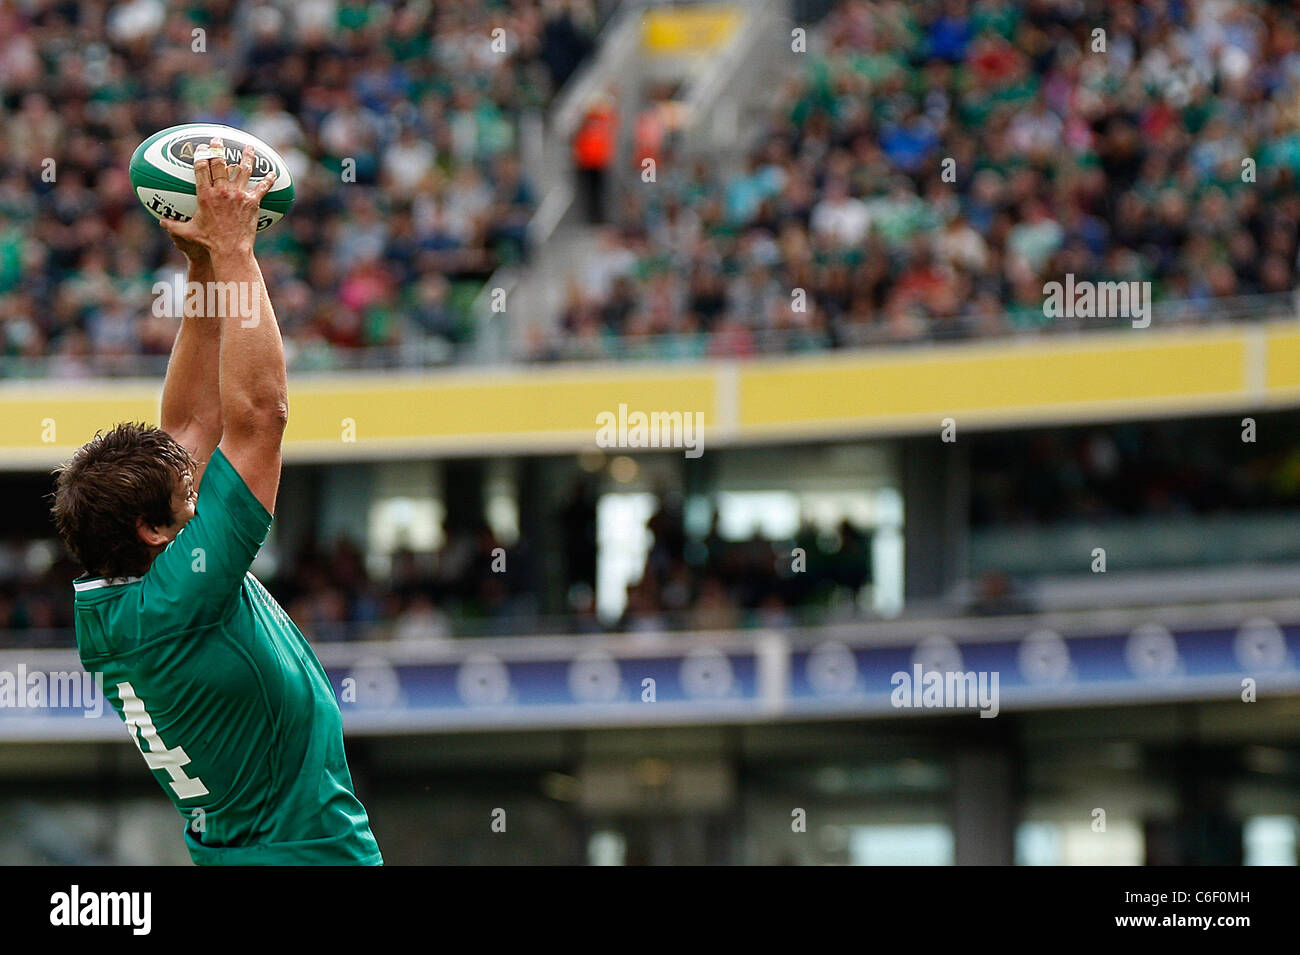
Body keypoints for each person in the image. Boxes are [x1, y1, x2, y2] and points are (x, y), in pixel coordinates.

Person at [50, 138, 382, 866]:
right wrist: (237, 251)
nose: (199, 481)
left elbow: (191, 425)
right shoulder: (181, 594)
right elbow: (260, 417)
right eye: (188, 489)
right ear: (154, 529)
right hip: (304, 858)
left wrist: (201, 265)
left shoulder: (123, 593)